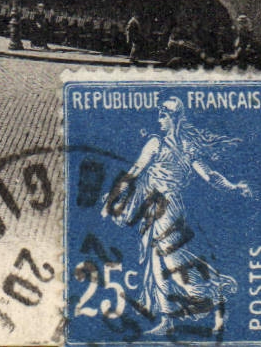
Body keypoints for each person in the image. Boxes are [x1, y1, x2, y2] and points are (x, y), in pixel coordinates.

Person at [101, 94, 250, 336]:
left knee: (170, 259)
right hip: (151, 207)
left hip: (168, 207)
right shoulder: (161, 144)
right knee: (156, 262)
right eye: (159, 114)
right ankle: (167, 319)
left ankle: (208, 293)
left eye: (164, 115)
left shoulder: (171, 145)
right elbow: (134, 173)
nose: (159, 119)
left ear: (175, 119)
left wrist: (232, 186)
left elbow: (208, 175)